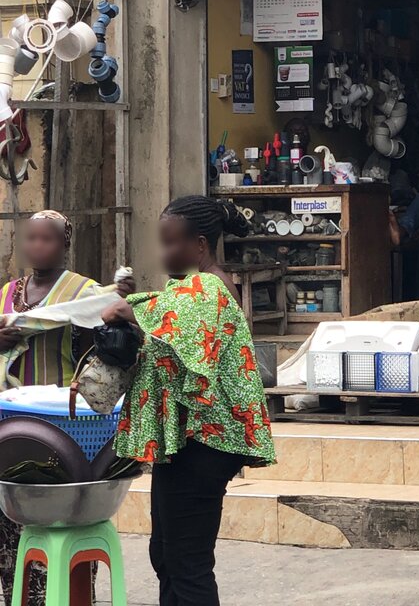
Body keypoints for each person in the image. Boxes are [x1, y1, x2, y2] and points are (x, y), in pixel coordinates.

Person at [103, 195, 275, 606]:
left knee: (187, 563)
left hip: (203, 443)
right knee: (167, 553)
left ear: (199, 245)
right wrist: (134, 307)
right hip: (191, 442)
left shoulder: (209, 287)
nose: (164, 253)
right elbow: (165, 314)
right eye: (161, 243)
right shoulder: (191, 289)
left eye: (172, 243)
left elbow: (185, 356)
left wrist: (136, 323)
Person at [0, 210, 135, 606]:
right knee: (11, 521)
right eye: (31, 239)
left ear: (65, 245)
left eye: (47, 239)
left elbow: (110, 337)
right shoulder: (8, 293)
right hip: (12, 419)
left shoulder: (84, 291)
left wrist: (118, 297)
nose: (37, 247)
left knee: (59, 515)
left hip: (64, 421)